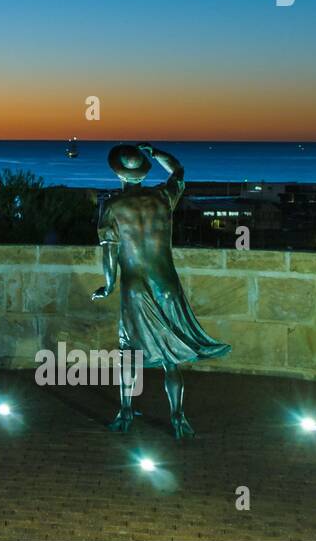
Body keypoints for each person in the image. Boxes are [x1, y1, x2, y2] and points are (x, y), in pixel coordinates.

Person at [91, 143, 230, 438]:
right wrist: (155, 152)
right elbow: (178, 171)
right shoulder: (162, 198)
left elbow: (109, 254)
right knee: (171, 357)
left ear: (118, 173)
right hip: (167, 284)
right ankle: (178, 417)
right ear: (142, 171)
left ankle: (126, 411)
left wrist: (109, 285)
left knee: (128, 352)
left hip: (135, 289)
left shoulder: (113, 206)